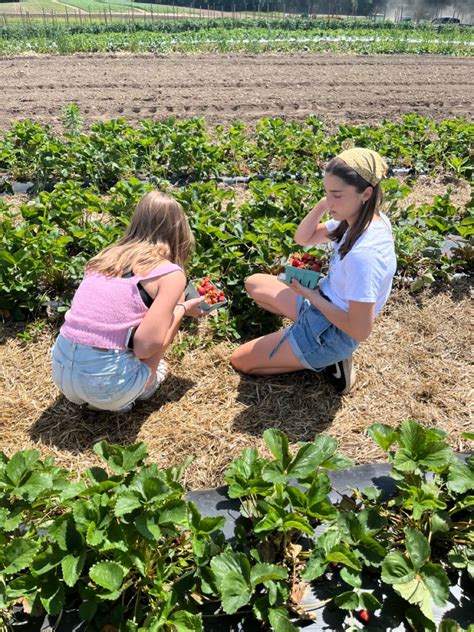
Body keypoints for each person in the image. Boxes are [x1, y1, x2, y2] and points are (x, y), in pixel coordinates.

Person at [230, 148, 397, 394]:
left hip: (333, 332)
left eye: (337, 195)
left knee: (240, 360)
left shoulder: (365, 254)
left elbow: (360, 330)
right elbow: (303, 238)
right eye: (326, 192)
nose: (330, 201)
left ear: (366, 193)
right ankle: (304, 347)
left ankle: (327, 359)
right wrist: (325, 204)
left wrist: (310, 296)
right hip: (322, 304)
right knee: (254, 283)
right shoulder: (357, 218)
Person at [51, 191, 206, 412]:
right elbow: (145, 347)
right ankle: (130, 392)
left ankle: (97, 394)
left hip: (62, 371)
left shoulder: (105, 257)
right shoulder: (170, 274)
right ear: (179, 231)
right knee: (164, 336)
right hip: (107, 385)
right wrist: (180, 309)